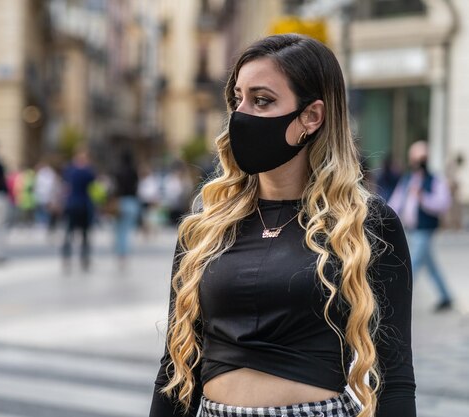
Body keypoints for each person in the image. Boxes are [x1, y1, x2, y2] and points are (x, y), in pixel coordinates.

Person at [149, 34, 415, 417]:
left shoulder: (365, 223)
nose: (241, 115)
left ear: (311, 116)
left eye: (262, 100)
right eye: (237, 99)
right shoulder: (206, 225)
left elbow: (394, 376)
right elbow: (175, 367)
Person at [389, 140, 453, 312]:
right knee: (429, 264)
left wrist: (423, 197)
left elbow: (443, 203)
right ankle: (446, 296)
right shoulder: (408, 179)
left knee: (411, 264)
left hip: (425, 229)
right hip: (410, 228)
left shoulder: (435, 179)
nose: (418, 162)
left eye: (421, 158)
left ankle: (397, 299)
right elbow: (396, 201)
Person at [61, 150, 96, 272]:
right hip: (84, 204)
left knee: (69, 232)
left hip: (72, 204)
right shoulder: (88, 172)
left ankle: (66, 257)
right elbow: (93, 184)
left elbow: (65, 186)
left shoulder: (70, 170)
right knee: (84, 233)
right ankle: (84, 257)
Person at [111, 150, 141, 269]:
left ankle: (120, 254)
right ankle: (126, 253)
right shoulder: (134, 172)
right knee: (128, 230)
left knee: (119, 231)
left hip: (121, 202)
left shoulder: (117, 171)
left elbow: (115, 188)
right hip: (132, 202)